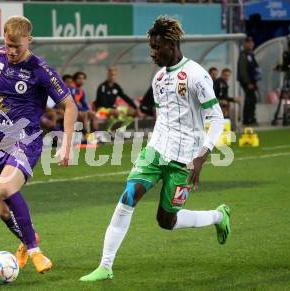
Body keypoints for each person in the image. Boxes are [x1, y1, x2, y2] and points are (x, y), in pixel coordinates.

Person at [80, 16, 231, 282]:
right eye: (150, 47)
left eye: (156, 47)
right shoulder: (159, 78)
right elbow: (164, 117)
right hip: (156, 149)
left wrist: (201, 156)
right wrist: (153, 145)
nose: (152, 53)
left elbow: (217, 118)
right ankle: (105, 266)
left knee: (166, 221)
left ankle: (218, 216)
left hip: (185, 158)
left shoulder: (196, 76)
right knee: (128, 196)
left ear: (171, 45)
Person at [0, 16, 78, 274]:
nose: (12, 51)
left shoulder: (41, 70)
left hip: (26, 140)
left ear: (28, 40)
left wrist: (67, 146)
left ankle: (35, 252)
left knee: (7, 187)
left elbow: (70, 105)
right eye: (8, 44)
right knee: (2, 211)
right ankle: (30, 238)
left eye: (17, 46)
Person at [94, 66, 138, 133]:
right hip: (101, 110)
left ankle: (119, 132)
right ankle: (107, 132)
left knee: (133, 112)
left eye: (114, 75)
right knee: (115, 113)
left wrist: (135, 107)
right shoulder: (102, 87)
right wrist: (115, 108)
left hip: (113, 109)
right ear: (108, 75)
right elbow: (102, 103)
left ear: (116, 76)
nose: (112, 77)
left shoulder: (116, 86)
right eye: (111, 75)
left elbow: (124, 96)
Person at [237, 36, 261, 125]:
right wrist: (248, 83)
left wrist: (255, 81)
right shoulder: (244, 55)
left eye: (252, 42)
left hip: (252, 81)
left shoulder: (250, 54)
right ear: (245, 44)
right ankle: (248, 119)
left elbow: (254, 69)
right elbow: (243, 71)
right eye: (249, 43)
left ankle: (249, 118)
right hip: (247, 82)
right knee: (250, 99)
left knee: (251, 99)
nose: (251, 44)